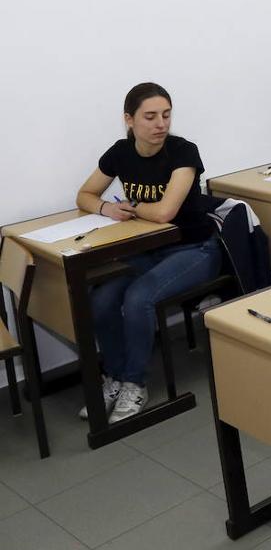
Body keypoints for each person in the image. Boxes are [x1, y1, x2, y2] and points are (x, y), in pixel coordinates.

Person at [74, 83, 221, 422]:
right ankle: (115, 376)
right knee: (100, 300)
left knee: (138, 298)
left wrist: (131, 204)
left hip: (195, 248)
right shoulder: (120, 152)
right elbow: (83, 194)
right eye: (150, 117)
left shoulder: (184, 152)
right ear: (129, 120)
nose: (161, 125)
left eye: (166, 115)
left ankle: (134, 383)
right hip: (149, 250)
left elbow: (165, 213)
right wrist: (106, 209)